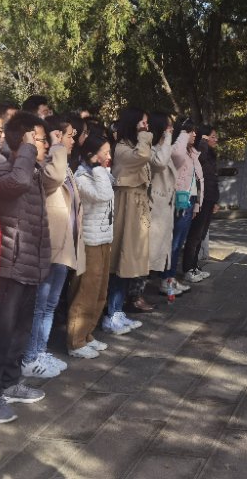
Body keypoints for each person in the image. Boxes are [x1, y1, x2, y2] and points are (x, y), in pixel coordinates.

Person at [0, 112, 52, 423]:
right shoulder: (3, 168)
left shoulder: (32, 170)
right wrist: (26, 148)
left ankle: (10, 383)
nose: (44, 145)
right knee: (1, 334)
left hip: (30, 265)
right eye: (39, 139)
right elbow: (16, 183)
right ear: (24, 140)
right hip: (9, 265)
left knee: (20, 332)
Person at [21, 115, 84, 379]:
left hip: (63, 245)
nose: (72, 141)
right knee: (40, 305)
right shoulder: (46, 168)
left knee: (50, 305)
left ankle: (40, 351)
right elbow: (55, 177)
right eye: (67, 135)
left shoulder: (63, 166)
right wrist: (57, 146)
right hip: (48, 246)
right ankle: (30, 356)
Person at [70, 131, 116, 355]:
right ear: (91, 155)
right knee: (86, 292)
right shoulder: (82, 177)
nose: (109, 157)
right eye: (104, 153)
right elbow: (103, 195)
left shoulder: (101, 174)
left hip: (104, 238)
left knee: (100, 291)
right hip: (90, 241)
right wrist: (97, 167)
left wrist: (100, 168)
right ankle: (76, 341)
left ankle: (88, 334)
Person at [106, 108, 153, 332]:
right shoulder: (122, 148)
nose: (146, 127)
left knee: (130, 262)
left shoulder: (134, 146)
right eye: (142, 123)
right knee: (121, 262)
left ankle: (118, 311)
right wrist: (144, 137)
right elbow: (142, 156)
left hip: (136, 207)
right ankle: (112, 313)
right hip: (126, 208)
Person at [146, 112, 189, 297]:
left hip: (165, 206)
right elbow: (160, 163)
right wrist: (170, 137)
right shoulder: (151, 149)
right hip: (155, 206)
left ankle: (166, 281)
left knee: (166, 248)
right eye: (168, 126)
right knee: (149, 253)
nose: (171, 129)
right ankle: (136, 294)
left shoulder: (162, 147)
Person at [164, 118, 204, 285]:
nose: (194, 134)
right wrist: (182, 133)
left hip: (190, 200)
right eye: (190, 131)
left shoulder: (192, 152)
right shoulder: (176, 149)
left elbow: (198, 180)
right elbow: (178, 156)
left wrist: (197, 205)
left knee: (179, 242)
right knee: (174, 243)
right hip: (180, 201)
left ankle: (171, 278)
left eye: (194, 131)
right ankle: (167, 279)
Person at [182, 124, 219, 282]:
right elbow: (200, 160)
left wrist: (216, 200)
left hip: (209, 199)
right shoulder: (200, 152)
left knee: (201, 235)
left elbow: (213, 179)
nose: (216, 139)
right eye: (212, 136)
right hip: (200, 199)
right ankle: (188, 269)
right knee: (195, 235)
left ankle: (194, 266)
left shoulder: (211, 154)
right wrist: (202, 141)